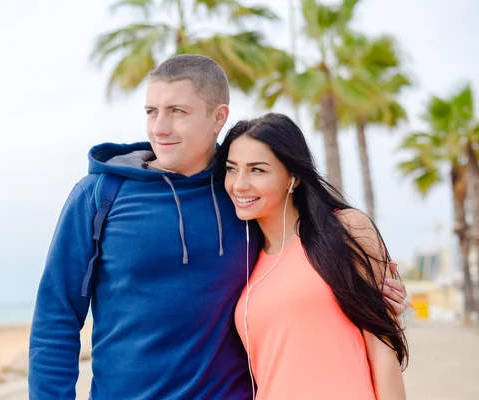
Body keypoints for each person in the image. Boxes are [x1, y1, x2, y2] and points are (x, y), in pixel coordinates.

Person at [28, 54, 408, 399]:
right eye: (151, 111)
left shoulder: (243, 198)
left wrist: (375, 287)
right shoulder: (99, 195)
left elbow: (311, 254)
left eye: (177, 110)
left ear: (218, 117)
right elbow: (56, 318)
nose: (160, 127)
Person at [218, 112, 408, 400]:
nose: (239, 184)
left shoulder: (346, 229)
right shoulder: (246, 261)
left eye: (257, 170)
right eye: (232, 169)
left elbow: (382, 347)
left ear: (292, 178)